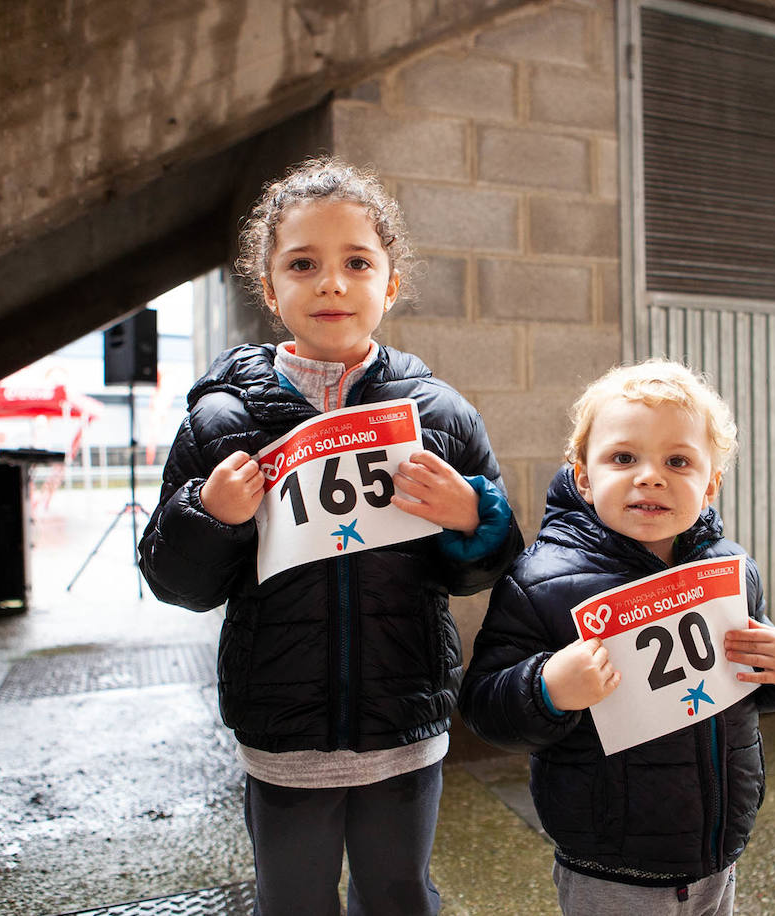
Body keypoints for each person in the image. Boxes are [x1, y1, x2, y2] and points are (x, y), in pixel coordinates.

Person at [138, 156, 522, 916]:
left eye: (357, 262)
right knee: (292, 900)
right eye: (303, 264)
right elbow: (173, 581)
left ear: (391, 282)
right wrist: (208, 514)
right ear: (270, 288)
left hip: (403, 717)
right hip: (282, 729)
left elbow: (484, 571)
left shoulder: (440, 414)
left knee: (398, 894)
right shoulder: (220, 420)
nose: (332, 283)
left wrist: (475, 519)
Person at [458, 359, 775, 916]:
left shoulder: (730, 570)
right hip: (611, 862)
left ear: (711, 483)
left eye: (677, 461)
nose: (650, 476)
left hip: (717, 850)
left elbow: (748, 679)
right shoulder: (541, 581)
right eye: (623, 458)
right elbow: (484, 706)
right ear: (583, 474)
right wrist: (546, 689)